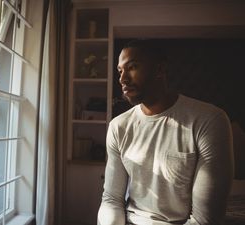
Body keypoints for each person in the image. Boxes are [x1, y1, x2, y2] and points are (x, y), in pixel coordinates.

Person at [97, 39, 234, 225]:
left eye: (133, 67)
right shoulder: (118, 126)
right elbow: (112, 199)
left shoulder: (209, 120)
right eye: (120, 71)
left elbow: (205, 219)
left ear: (160, 70)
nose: (122, 79)